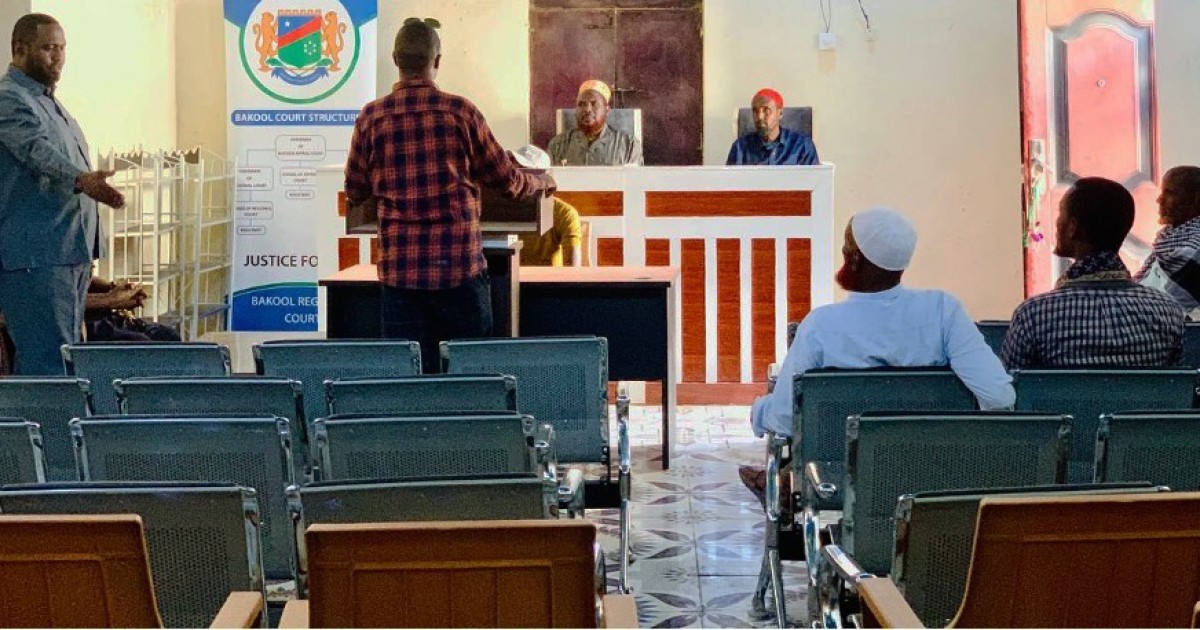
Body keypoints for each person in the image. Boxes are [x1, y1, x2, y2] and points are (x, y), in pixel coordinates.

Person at [739, 207, 1014, 502]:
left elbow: (783, 420)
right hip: (935, 477)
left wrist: (759, 411)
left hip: (840, 483)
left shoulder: (820, 326)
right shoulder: (943, 311)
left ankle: (779, 486)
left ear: (854, 259)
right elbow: (999, 396)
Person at [345, 18, 555, 373]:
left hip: (401, 276)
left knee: (409, 382)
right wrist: (541, 183)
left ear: (395, 59)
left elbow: (355, 189)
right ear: (438, 61)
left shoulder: (371, 118)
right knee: (468, 380)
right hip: (459, 272)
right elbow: (506, 180)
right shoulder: (461, 112)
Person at [0, 13, 125, 375]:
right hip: (36, 256)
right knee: (48, 364)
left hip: (68, 252)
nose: (58, 57)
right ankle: (44, 416)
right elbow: (35, 150)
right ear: (20, 49)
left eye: (62, 48)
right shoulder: (9, 99)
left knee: (66, 359)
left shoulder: (51, 103)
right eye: (48, 48)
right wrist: (82, 180)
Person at [1002, 177, 1185, 369]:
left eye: (1060, 214)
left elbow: (1008, 383)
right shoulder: (1168, 311)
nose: (1056, 223)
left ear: (1072, 228)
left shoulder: (1034, 315)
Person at [1134, 166, 1200, 319]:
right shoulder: (1170, 239)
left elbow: (1163, 306)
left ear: (1195, 199)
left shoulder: (1194, 247)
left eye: (1169, 193)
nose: (1159, 200)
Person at [511, 144, 583, 267]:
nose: (515, 179)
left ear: (544, 180)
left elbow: (573, 270)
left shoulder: (564, 213)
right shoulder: (495, 210)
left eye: (524, 172)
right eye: (513, 170)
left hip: (549, 280)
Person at [548, 80, 643, 167]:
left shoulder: (628, 145)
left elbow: (634, 179)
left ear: (607, 110)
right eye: (582, 104)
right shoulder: (558, 144)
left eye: (594, 104)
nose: (587, 109)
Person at [726, 88, 819, 166]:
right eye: (755, 111)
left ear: (780, 113)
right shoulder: (740, 148)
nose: (759, 117)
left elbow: (814, 180)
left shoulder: (802, 146)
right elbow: (730, 181)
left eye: (766, 110)